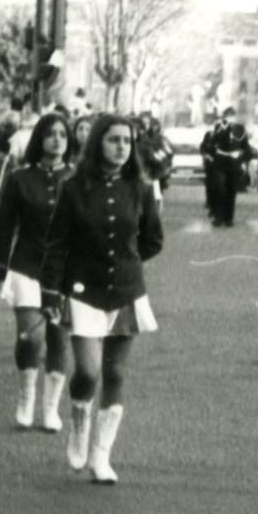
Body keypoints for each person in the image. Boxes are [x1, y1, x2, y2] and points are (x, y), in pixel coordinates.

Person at [40, 115, 164, 484]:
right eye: (113, 140)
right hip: (84, 291)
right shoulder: (74, 186)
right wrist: (52, 291)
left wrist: (127, 260)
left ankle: (101, 455)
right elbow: (57, 243)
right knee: (88, 372)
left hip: (125, 291)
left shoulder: (140, 187)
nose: (121, 147)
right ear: (98, 143)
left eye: (127, 141)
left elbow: (153, 239)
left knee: (115, 373)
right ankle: (79, 427)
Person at [0, 113, 74, 432]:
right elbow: (5, 226)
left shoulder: (77, 179)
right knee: (30, 338)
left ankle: (50, 409)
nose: (57, 140)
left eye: (63, 134)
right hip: (26, 265)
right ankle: (26, 400)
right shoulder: (19, 179)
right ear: (40, 139)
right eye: (50, 134)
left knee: (58, 339)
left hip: (65, 271)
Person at [201, 108, 256, 228]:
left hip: (233, 164)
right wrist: (222, 128)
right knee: (219, 189)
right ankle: (218, 217)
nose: (230, 118)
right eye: (228, 116)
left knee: (231, 191)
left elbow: (245, 146)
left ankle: (229, 218)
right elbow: (211, 144)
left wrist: (243, 158)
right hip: (219, 163)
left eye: (232, 115)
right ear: (224, 116)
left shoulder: (240, 129)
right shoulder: (218, 128)